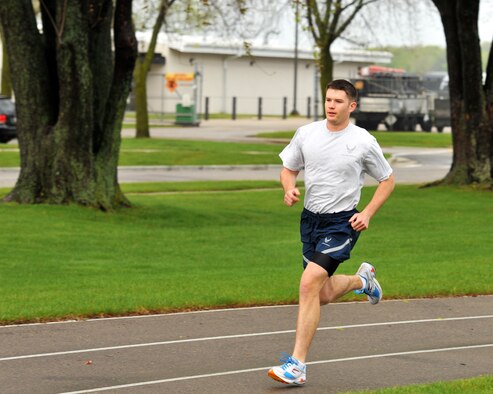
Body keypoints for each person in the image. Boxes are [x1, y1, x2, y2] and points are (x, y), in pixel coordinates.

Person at [268, 79, 395, 386]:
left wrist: (366, 213)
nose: (331, 105)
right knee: (320, 293)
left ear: (351, 106)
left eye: (338, 101)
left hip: (343, 223)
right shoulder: (307, 134)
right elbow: (288, 168)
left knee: (308, 281)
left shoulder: (363, 141)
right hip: (311, 221)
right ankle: (361, 280)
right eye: (328, 99)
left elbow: (387, 180)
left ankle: (297, 366)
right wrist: (289, 188)